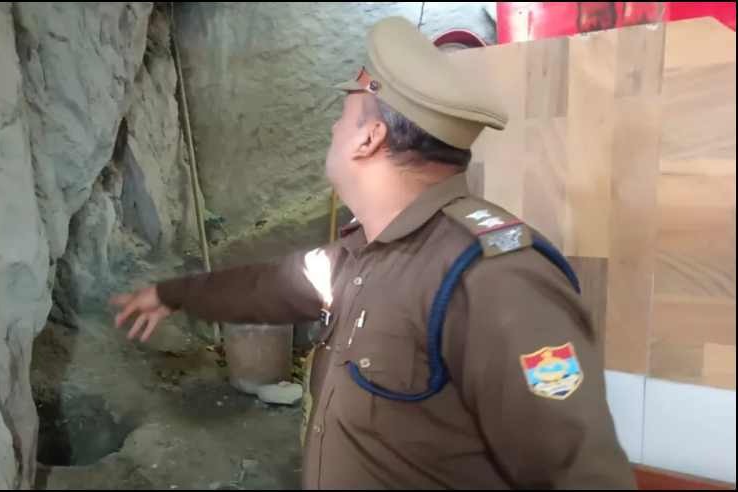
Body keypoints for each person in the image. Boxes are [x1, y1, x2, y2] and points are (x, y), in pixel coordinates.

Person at [111, 16, 636, 490]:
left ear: (369, 138)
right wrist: (171, 294)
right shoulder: (363, 256)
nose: (333, 130)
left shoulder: (495, 280)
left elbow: (582, 473)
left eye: (343, 117)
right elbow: (268, 286)